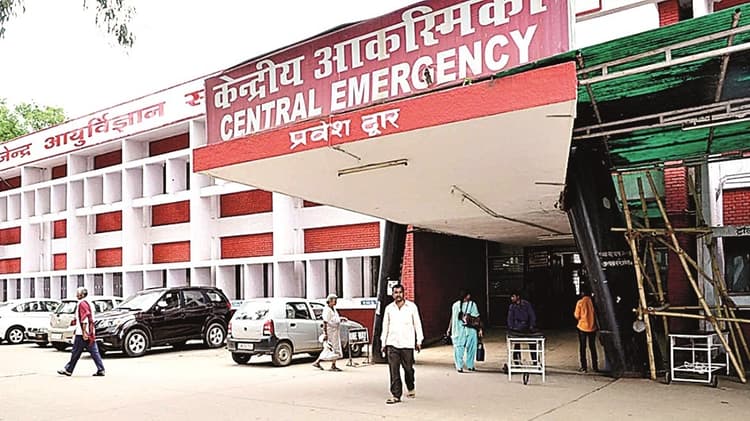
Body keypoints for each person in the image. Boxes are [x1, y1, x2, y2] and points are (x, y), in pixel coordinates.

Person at [380, 284, 423, 405]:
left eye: (400, 292)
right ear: (392, 294)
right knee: (394, 370)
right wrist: (383, 343)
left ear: (404, 293)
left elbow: (417, 324)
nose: (398, 295)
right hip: (392, 343)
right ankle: (396, 395)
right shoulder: (389, 308)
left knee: (408, 369)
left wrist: (419, 341)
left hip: (407, 343)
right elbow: (385, 326)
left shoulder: (412, 307)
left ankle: (410, 386)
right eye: (395, 292)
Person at [57, 287, 105, 377]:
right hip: (90, 331)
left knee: (76, 352)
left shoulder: (82, 303)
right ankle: (101, 369)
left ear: (82, 294)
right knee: (94, 351)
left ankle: (68, 369)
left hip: (82, 333)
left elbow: (84, 319)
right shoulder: (89, 302)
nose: (76, 295)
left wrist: (84, 332)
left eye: (78, 293)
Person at [446, 289, 483, 373]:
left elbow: (452, 318)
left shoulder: (455, 305)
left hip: (458, 331)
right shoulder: (472, 304)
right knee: (471, 348)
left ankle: (459, 366)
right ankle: (470, 365)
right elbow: (477, 319)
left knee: (458, 349)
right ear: (468, 295)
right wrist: (480, 329)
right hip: (470, 330)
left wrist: (449, 329)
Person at [313, 294, 343, 371]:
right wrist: (325, 333)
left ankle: (333, 365)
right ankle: (318, 362)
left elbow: (334, 319)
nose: (335, 301)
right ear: (330, 301)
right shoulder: (327, 310)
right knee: (329, 348)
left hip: (335, 332)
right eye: (334, 300)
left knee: (335, 348)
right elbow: (325, 322)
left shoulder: (333, 309)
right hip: (330, 332)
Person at [507, 291, 538, 364]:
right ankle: (517, 361)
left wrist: (531, 325)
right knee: (516, 343)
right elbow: (510, 318)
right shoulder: (512, 306)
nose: (512, 298)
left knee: (532, 343)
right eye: (511, 297)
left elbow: (532, 315)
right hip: (517, 327)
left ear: (518, 297)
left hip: (526, 326)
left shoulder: (526, 304)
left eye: (513, 296)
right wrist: (512, 327)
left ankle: (535, 360)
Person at [574, 288, 598, 372]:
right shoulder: (593, 302)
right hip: (593, 327)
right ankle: (595, 366)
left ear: (582, 293)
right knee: (592, 347)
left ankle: (584, 367)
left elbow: (576, 315)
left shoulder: (580, 302)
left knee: (583, 347)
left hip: (582, 327)